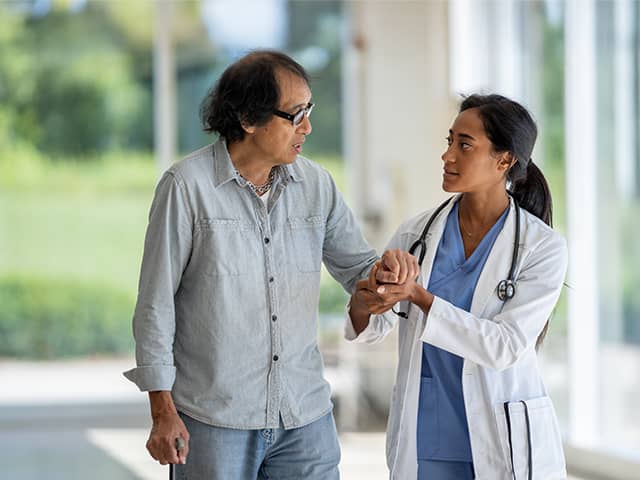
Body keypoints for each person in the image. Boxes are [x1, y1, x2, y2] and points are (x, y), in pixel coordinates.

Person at [123, 50, 378, 479]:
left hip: (304, 416)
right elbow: (155, 304)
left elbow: (360, 269)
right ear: (247, 118)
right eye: (295, 115)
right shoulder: (186, 187)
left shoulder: (317, 185)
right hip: (213, 421)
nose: (307, 127)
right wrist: (161, 410)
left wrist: (388, 277)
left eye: (308, 111)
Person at [346, 94, 568, 479]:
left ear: (504, 160)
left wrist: (418, 295)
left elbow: (504, 346)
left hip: (500, 436)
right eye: (449, 142)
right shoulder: (417, 232)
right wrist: (368, 300)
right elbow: (376, 325)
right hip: (426, 433)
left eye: (464, 145)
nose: (448, 156)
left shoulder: (541, 247)